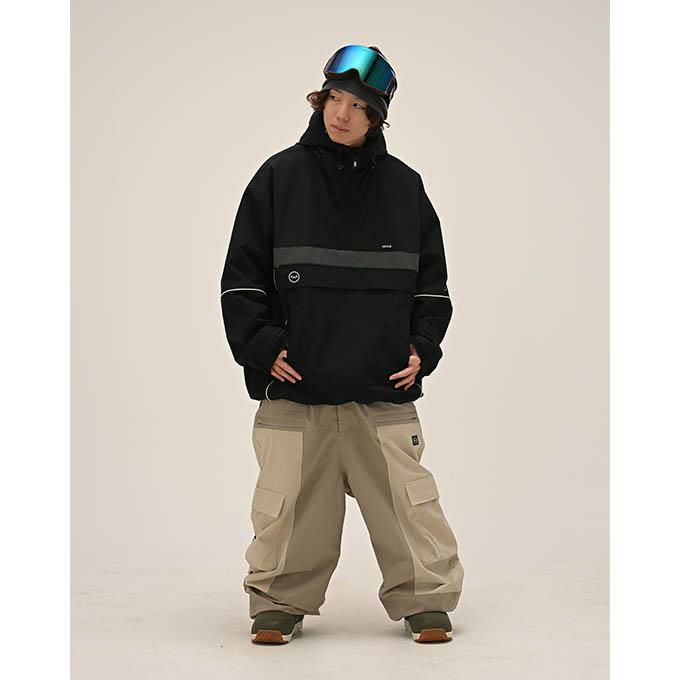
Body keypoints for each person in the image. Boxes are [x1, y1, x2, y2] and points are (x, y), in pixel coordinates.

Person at [219, 44, 464, 644]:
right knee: (289, 508)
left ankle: (425, 599)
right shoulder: (278, 178)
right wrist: (262, 346)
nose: (342, 114)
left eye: (358, 105)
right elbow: (240, 280)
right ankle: (278, 601)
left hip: (382, 386)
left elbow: (432, 288)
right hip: (297, 389)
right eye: (334, 99)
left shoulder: (405, 188)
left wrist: (421, 348)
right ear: (320, 100)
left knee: (408, 508)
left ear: (377, 117)